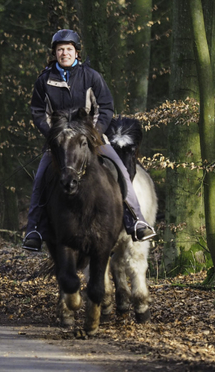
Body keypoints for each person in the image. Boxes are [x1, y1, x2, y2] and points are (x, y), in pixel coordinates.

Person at [22, 29, 156, 251]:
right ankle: (34, 229)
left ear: (77, 52)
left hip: (92, 138)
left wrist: (94, 132)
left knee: (121, 170)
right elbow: (38, 111)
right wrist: (53, 135)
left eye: (68, 49)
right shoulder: (44, 80)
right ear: (54, 53)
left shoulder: (92, 77)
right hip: (60, 142)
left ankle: (136, 220)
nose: (64, 53)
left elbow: (105, 107)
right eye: (60, 50)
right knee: (40, 179)